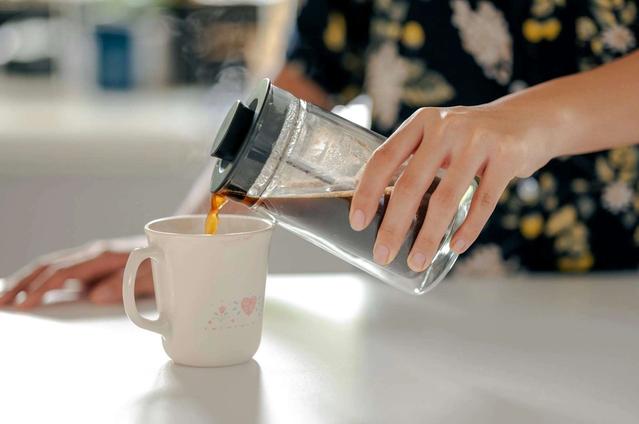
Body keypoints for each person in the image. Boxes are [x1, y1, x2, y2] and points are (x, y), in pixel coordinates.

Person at [2, 0, 638, 308]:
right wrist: (187, 249)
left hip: (619, 301)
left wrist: (536, 121)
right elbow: (299, 90)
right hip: (426, 307)